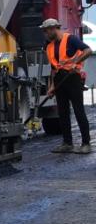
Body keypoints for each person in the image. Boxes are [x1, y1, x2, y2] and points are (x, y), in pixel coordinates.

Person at [41, 18, 92, 154]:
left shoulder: (71, 39)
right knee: (62, 113)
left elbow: (88, 50)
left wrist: (75, 61)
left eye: (46, 31)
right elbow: (53, 69)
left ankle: (86, 143)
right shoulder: (49, 46)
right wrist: (52, 86)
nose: (45, 34)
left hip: (72, 78)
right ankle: (67, 143)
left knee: (78, 111)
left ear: (53, 29)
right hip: (59, 80)